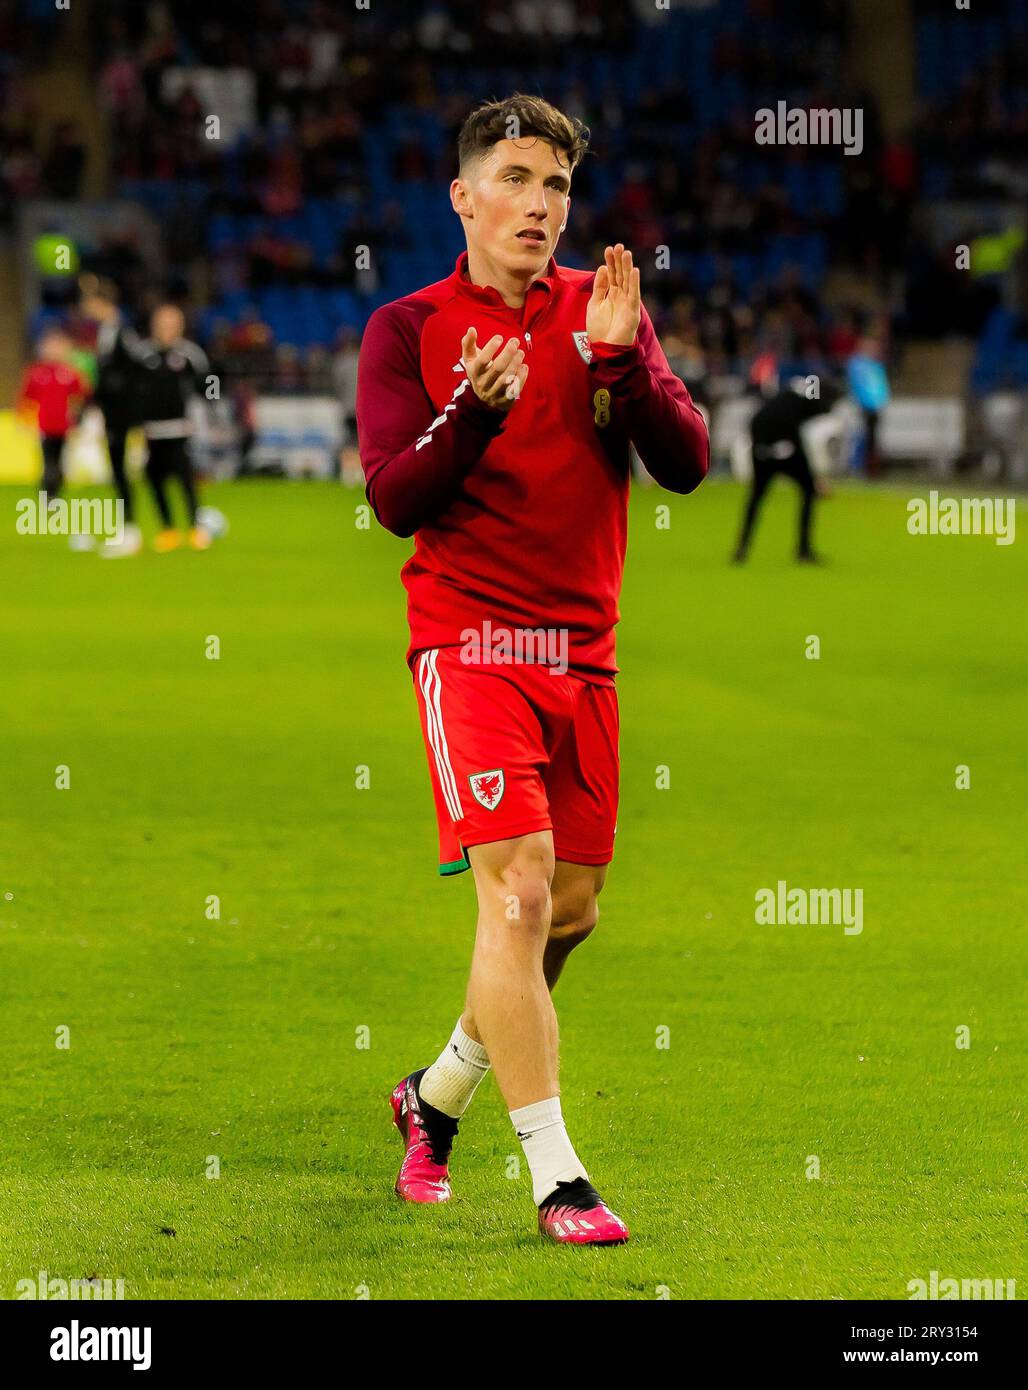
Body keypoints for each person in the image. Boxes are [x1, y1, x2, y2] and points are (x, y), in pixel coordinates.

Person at [356, 94, 709, 1246]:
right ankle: (558, 1179)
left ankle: (438, 1091)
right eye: (514, 178)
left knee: (566, 910)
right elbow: (393, 500)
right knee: (511, 892)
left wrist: (623, 366)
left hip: (582, 654)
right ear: (463, 195)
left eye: (555, 185)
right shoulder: (406, 326)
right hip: (469, 644)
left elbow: (687, 464)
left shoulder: (601, 308)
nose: (539, 204)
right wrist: (466, 417)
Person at [732, 381, 838, 564]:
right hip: (779, 451)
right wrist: (815, 481)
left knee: (756, 498)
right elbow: (796, 441)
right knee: (807, 492)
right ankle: (803, 550)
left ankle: (742, 548)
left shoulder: (788, 401)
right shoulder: (798, 408)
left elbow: (756, 423)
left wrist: (761, 450)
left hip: (763, 452)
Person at [135, 304, 212, 551]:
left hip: (179, 428)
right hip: (151, 430)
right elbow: (131, 389)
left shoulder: (190, 354)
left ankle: (195, 528)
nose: (166, 330)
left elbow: (210, 381)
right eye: (162, 325)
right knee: (154, 479)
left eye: (172, 325)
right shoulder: (142, 354)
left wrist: (212, 402)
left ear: (180, 327)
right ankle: (167, 529)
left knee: (186, 479)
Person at [82, 289, 144, 556]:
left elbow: (137, 367)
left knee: (121, 469)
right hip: (111, 412)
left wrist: (125, 401)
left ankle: (130, 529)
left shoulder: (123, 333)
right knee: (116, 469)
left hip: (121, 413)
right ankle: (126, 527)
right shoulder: (105, 333)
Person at [15, 329, 90, 496]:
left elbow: (80, 397)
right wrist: (24, 420)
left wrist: (77, 420)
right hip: (44, 425)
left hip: (64, 426)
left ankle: (54, 492)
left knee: (61, 461)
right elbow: (26, 398)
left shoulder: (70, 372)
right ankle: (48, 494)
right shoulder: (36, 372)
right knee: (48, 461)